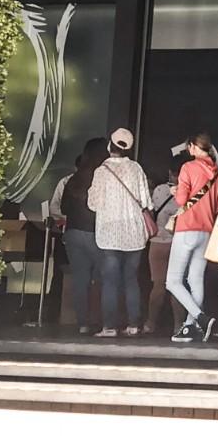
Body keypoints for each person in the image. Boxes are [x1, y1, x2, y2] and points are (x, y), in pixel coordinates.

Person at [87, 128, 152, 338]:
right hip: (134, 233)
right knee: (131, 280)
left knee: (110, 281)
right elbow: (147, 201)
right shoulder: (136, 169)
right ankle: (133, 325)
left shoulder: (101, 171)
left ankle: (109, 327)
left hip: (109, 233)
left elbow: (93, 204)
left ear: (110, 145)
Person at [167, 132, 218, 344]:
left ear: (192, 146)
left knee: (173, 281)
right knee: (195, 279)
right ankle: (190, 327)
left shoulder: (188, 167)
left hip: (186, 229)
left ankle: (201, 318)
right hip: (206, 231)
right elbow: (217, 207)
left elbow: (182, 199)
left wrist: (175, 191)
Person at [54, 138, 106, 334]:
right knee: (103, 278)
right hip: (96, 233)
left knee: (80, 279)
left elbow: (63, 208)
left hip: (73, 233)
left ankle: (83, 322)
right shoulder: (102, 178)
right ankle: (101, 320)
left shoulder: (73, 179)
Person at [143, 167, 181, 336]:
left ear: (170, 173)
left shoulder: (159, 190)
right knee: (177, 286)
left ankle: (150, 323)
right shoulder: (188, 191)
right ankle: (178, 325)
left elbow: (151, 210)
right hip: (177, 243)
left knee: (158, 285)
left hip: (157, 242)